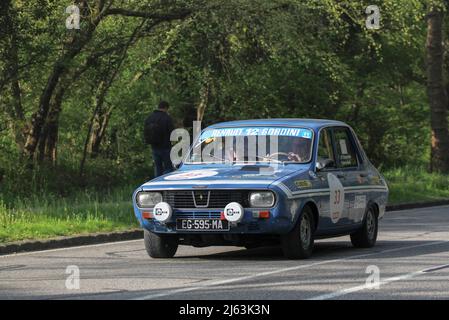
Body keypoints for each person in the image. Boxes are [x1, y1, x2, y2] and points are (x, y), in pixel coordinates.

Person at [144, 101, 175, 177]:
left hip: (154, 147)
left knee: (158, 168)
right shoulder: (167, 118)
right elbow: (172, 132)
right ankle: (167, 185)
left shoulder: (149, 118)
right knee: (168, 168)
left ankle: (157, 185)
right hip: (165, 147)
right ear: (165, 108)